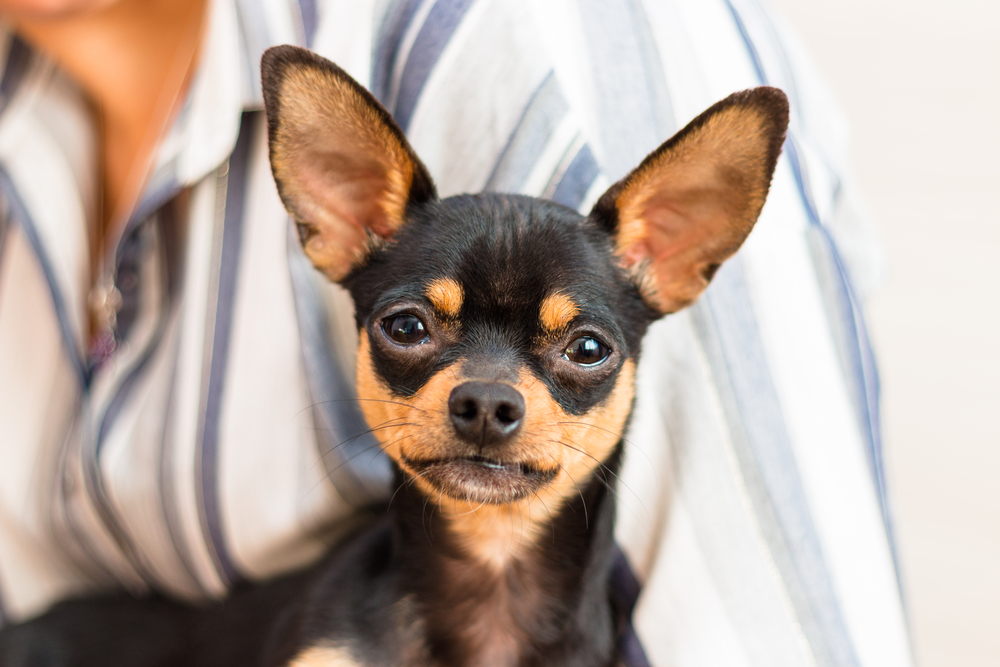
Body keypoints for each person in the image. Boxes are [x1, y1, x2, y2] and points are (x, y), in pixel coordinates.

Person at [0, 0, 912, 664]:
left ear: (676, 255)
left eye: (582, 350)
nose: (488, 395)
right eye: (410, 330)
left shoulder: (557, 47)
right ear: (339, 213)